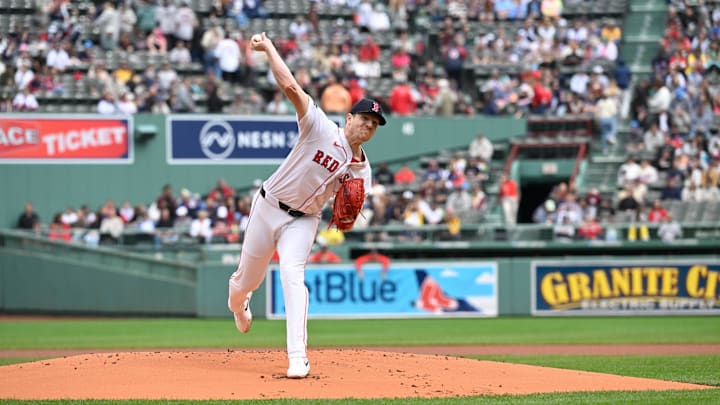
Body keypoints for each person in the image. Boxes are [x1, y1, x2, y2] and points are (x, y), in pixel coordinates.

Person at [227, 32, 386, 379]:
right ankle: (238, 306)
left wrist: (347, 215)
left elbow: (349, 215)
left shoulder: (363, 170)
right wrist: (269, 48)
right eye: (364, 119)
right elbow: (292, 89)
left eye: (374, 125)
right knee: (244, 281)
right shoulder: (318, 128)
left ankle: (297, 357)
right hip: (268, 206)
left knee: (292, 275)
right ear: (349, 118)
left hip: (304, 220)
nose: (368, 126)